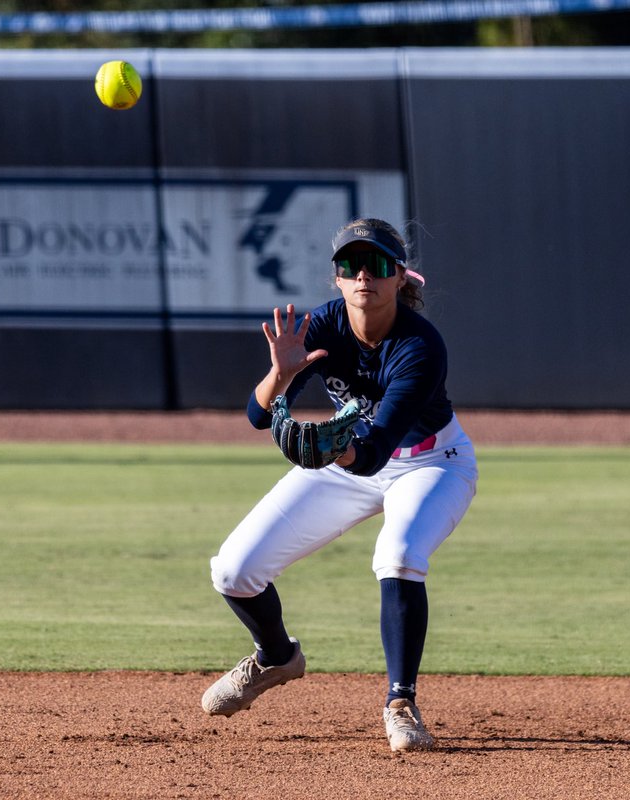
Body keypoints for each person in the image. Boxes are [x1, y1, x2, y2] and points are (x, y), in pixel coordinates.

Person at [202, 217, 478, 753]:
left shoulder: (420, 347)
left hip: (430, 464)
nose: (361, 276)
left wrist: (335, 447)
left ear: (401, 276)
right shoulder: (324, 326)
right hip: (348, 457)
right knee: (233, 570)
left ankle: (401, 703)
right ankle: (276, 657)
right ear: (337, 278)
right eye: (349, 265)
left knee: (397, 556)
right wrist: (280, 374)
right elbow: (257, 417)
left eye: (375, 264)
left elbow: (375, 451)